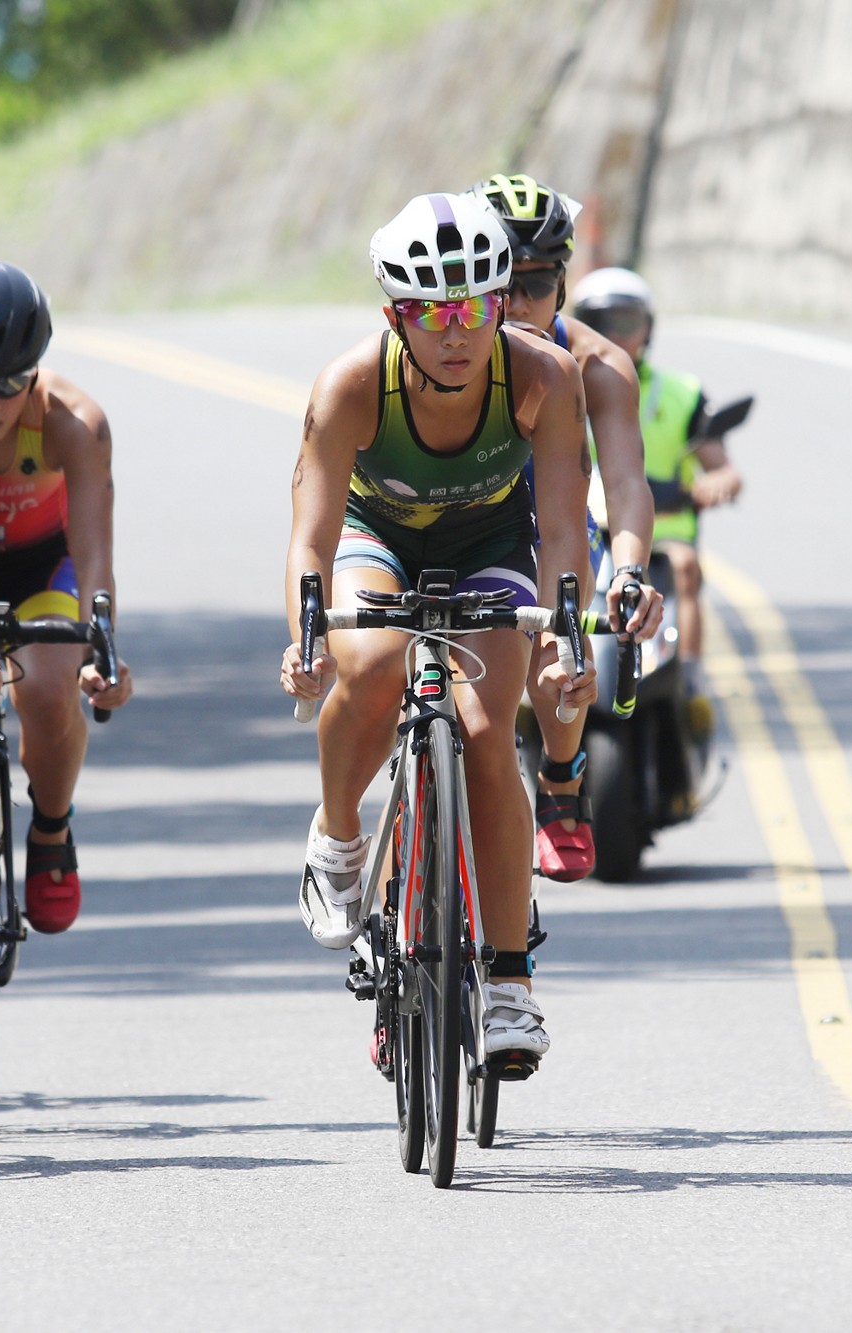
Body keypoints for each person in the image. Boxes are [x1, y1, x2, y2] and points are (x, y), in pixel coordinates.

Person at [280, 192, 597, 1072]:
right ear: (395, 315)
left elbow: (565, 528)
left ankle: (507, 985)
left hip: (487, 541)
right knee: (374, 666)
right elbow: (309, 533)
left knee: (493, 731)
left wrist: (567, 629)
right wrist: (306, 632)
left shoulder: (542, 377)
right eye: (432, 312)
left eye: (474, 307)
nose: (456, 333)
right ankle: (340, 835)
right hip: (372, 536)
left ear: (501, 303)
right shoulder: (351, 383)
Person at [0, 258, 133, 933]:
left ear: (36, 371)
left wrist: (102, 648)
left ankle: (50, 829)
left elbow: (94, 553)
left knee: (46, 684)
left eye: (10, 385)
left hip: (43, 572)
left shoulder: (75, 422)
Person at [474, 173, 663, 882]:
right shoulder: (445, 347)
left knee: (555, 652)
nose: (517, 307)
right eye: (499, 285)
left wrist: (631, 568)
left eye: (537, 284)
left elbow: (622, 484)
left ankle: (559, 777)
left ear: (564, 281)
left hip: (548, 529)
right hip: (453, 523)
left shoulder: (600, 365)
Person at [569, 266, 744, 667]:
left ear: (648, 329)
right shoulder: (556, 382)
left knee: (685, 566)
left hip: (661, 531)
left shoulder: (682, 393)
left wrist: (718, 483)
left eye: (626, 321)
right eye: (598, 322)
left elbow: (722, 468)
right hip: (583, 529)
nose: (613, 334)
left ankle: (690, 676)